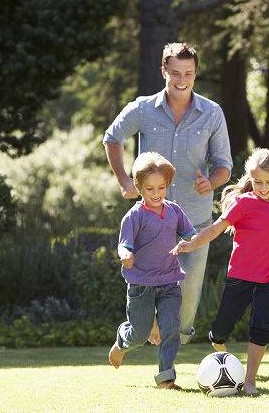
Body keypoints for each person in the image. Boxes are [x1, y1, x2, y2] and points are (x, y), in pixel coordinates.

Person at [103, 42, 233, 345]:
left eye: (188, 73)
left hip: (194, 222)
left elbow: (224, 164)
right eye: (175, 72)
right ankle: (153, 338)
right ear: (164, 71)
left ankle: (175, 337)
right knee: (146, 296)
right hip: (150, 223)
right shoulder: (143, 109)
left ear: (195, 74)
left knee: (187, 299)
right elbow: (112, 137)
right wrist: (124, 180)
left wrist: (211, 183)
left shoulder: (212, 113)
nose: (181, 80)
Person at [171, 148, 269, 395]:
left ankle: (250, 380)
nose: (263, 188)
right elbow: (215, 228)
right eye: (257, 182)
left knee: (261, 325)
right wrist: (192, 243)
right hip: (240, 275)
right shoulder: (242, 203)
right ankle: (230, 364)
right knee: (220, 331)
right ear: (250, 178)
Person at [108, 152, 196, 390]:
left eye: (161, 187)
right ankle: (122, 341)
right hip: (141, 285)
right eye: (150, 189)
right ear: (138, 188)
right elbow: (123, 245)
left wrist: (191, 242)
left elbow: (191, 235)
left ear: (167, 185)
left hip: (169, 281)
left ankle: (166, 379)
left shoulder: (175, 211)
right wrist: (125, 255)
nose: (156, 194)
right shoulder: (134, 216)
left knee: (170, 329)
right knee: (139, 334)